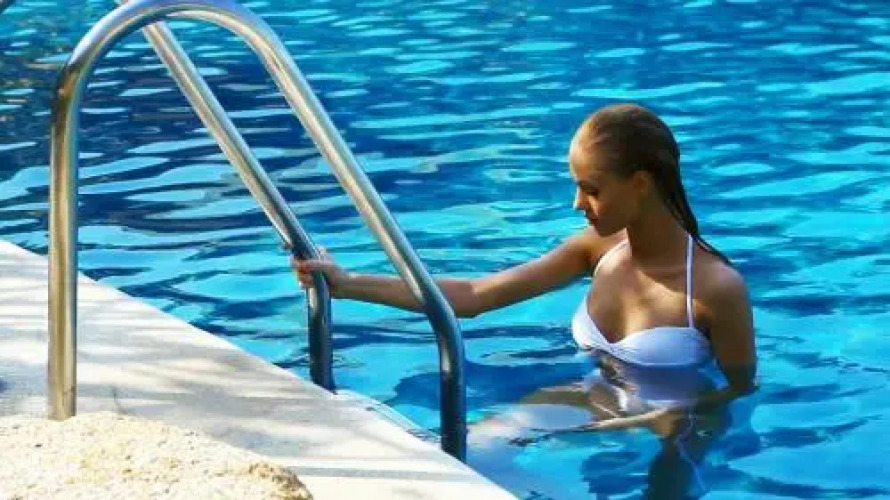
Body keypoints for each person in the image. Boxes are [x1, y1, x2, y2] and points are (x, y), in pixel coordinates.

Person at [290, 102, 757, 496]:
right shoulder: (597, 249)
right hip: (589, 396)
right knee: (466, 455)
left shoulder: (716, 288)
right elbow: (473, 296)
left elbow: (737, 391)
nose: (577, 203)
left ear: (640, 183)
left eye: (591, 189)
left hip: (670, 427)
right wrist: (347, 283)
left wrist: (672, 420)